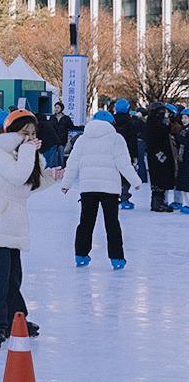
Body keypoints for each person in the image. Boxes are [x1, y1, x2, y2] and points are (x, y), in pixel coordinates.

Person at [0, 110, 63, 348]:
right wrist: (29, 151)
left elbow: (26, 188)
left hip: (14, 222)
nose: (30, 137)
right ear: (11, 134)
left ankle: (16, 319)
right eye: (24, 133)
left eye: (33, 133)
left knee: (12, 277)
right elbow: (18, 178)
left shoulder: (24, 155)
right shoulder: (1, 153)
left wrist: (50, 176)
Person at [61, 110, 141, 269]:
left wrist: (66, 184)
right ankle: (117, 258)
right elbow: (124, 164)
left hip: (88, 188)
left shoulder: (82, 139)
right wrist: (135, 181)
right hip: (109, 189)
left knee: (86, 222)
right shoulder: (116, 139)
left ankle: (81, 255)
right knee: (112, 224)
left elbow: (73, 163)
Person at [145, 104, 176, 213]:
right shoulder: (156, 123)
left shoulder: (151, 122)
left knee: (157, 177)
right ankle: (158, 203)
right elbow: (162, 134)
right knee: (161, 176)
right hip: (160, 155)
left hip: (155, 155)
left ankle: (157, 202)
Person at [112, 98, 140, 209]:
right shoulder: (130, 123)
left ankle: (114, 198)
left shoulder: (111, 122)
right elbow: (133, 141)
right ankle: (124, 198)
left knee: (114, 176)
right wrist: (134, 156)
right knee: (126, 175)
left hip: (112, 153)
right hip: (126, 153)